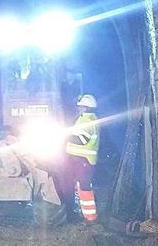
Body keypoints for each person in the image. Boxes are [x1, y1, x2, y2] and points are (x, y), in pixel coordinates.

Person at [64, 94, 100, 222]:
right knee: (81, 187)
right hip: (83, 159)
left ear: (86, 108)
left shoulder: (86, 120)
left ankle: (90, 218)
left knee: (84, 187)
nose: (78, 109)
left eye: (80, 107)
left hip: (83, 159)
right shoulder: (90, 118)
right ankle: (85, 215)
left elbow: (82, 139)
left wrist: (64, 136)